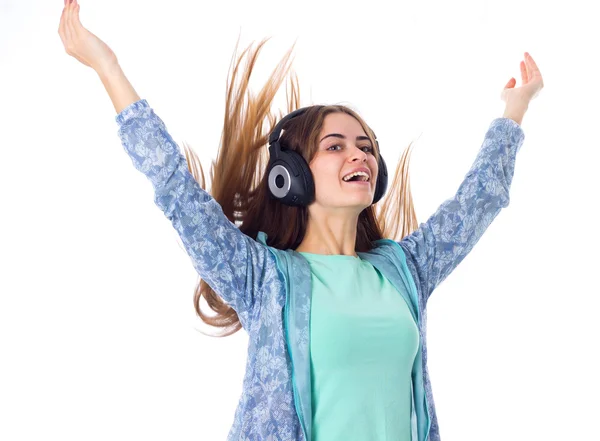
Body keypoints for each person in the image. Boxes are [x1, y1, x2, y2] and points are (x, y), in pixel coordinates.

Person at [58, 1, 544, 440]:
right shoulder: (261, 277)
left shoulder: (404, 271)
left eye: (366, 146)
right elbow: (173, 186)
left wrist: (514, 110)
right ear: (290, 178)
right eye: (335, 146)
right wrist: (108, 68)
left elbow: (481, 199)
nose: (359, 154)